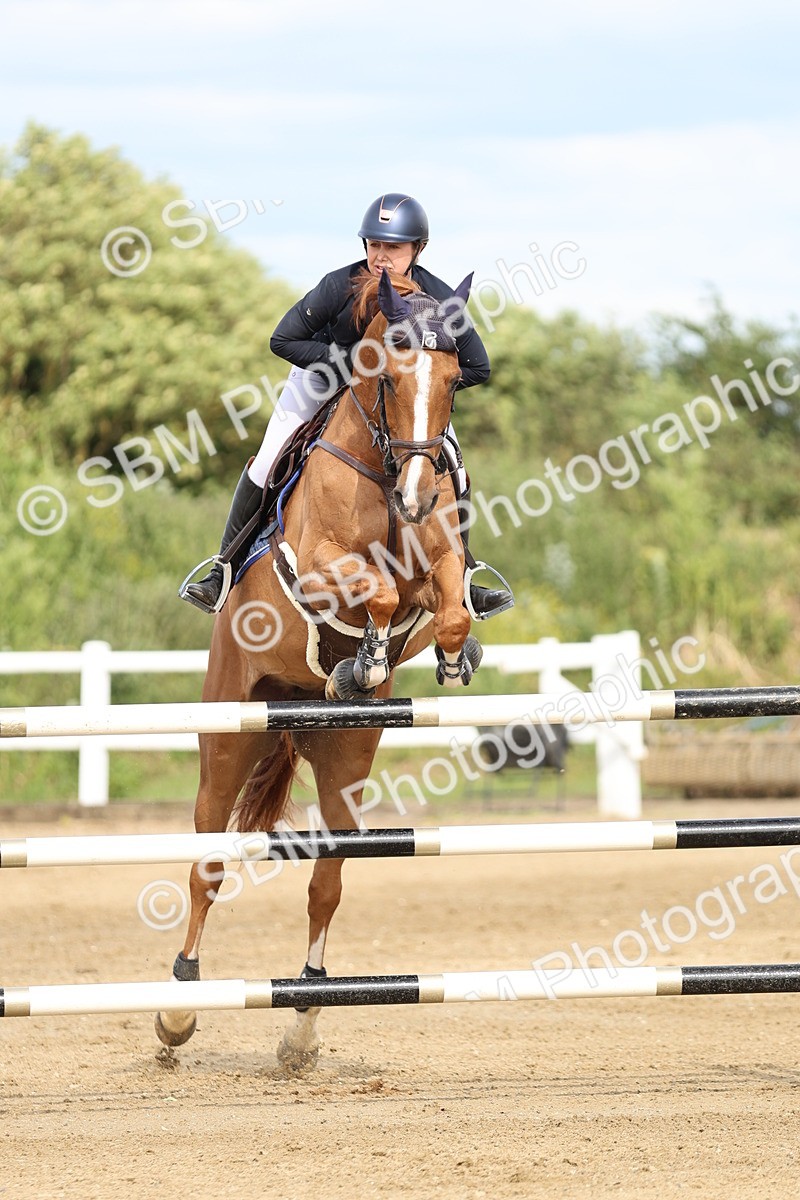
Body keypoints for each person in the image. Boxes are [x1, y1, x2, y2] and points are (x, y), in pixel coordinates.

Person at [180, 192, 514, 619]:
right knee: (266, 460)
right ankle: (222, 570)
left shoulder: (437, 296)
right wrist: (348, 367)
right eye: (375, 245)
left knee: (457, 470)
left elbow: (479, 366)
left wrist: (424, 392)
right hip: (321, 382)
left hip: (402, 399)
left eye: (393, 247)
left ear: (417, 250)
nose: (382, 256)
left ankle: (466, 576)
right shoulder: (338, 285)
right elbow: (282, 340)